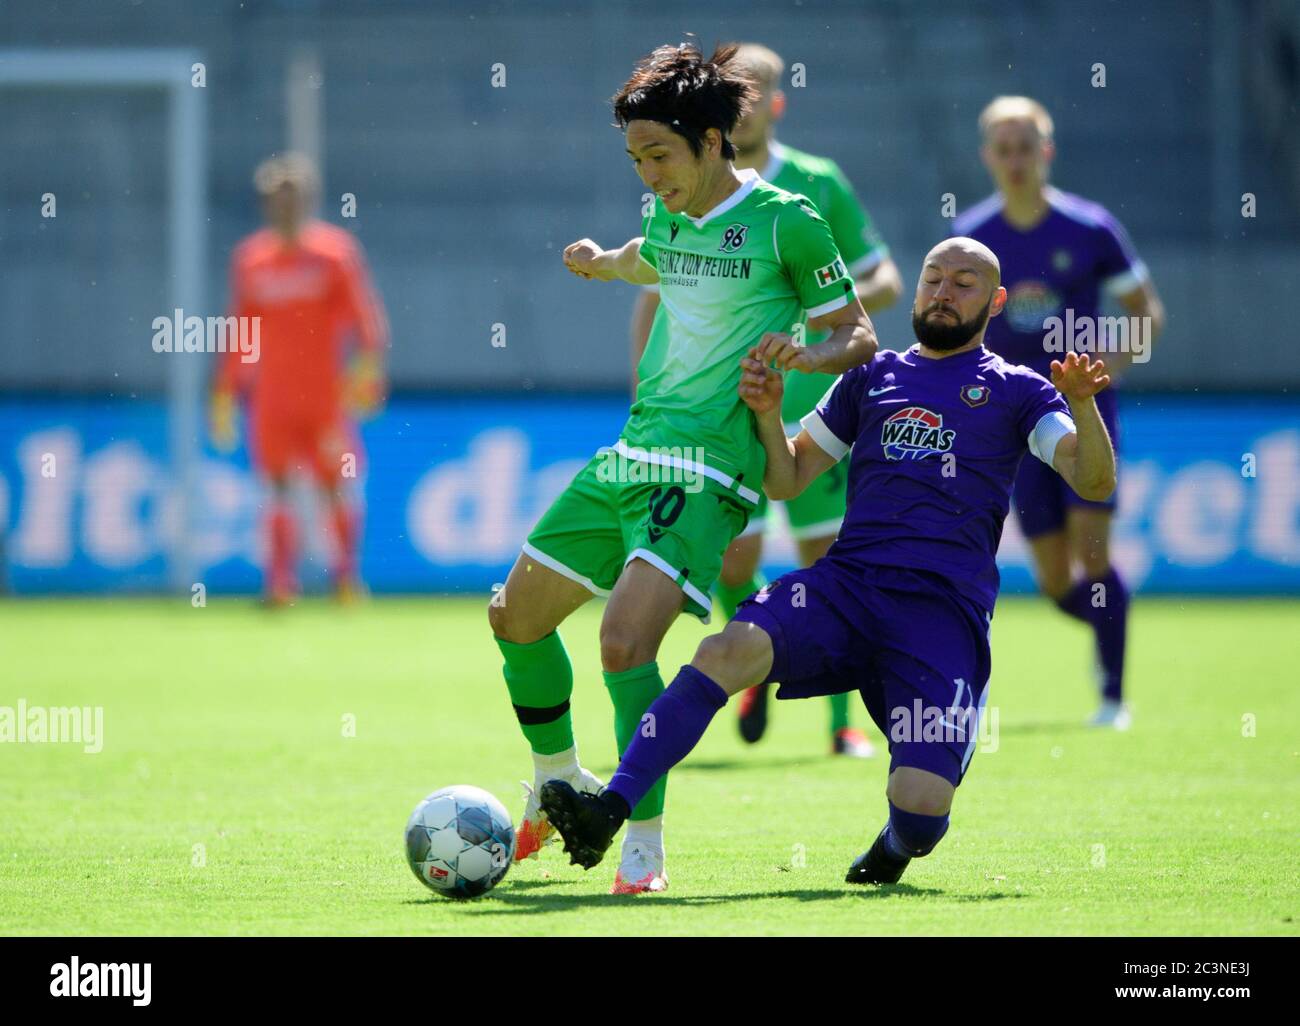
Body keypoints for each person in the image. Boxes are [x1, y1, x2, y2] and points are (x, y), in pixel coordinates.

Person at [538, 238, 1116, 887]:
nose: (943, 293)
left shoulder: (1019, 391)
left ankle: (896, 844)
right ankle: (608, 811)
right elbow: (789, 477)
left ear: (996, 301)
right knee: (724, 652)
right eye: (934, 279)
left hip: (940, 615)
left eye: (964, 284)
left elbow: (1090, 480)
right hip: (846, 589)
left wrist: (1085, 405)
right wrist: (764, 415)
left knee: (924, 813)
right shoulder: (871, 378)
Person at [487, 42, 877, 894]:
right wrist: (599, 263)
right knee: (514, 616)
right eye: (635, 160)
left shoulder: (788, 219)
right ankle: (560, 784)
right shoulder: (667, 215)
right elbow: (648, 257)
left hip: (708, 474)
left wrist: (803, 355)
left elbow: (860, 336)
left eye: (658, 155)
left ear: (711, 140)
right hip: (630, 453)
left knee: (623, 642)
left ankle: (643, 849)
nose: (647, 174)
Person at [630, 42, 902, 758]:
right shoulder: (686, 189)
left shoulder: (814, 186)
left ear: (774, 103)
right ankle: (755, 660)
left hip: (813, 403)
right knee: (733, 562)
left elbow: (881, 283)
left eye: (757, 93)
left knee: (826, 560)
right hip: (722, 415)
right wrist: (644, 382)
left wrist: (806, 305)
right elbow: (659, 287)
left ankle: (840, 722)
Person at [954, 96, 1165, 729]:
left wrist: (1103, 372)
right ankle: (1113, 624)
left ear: (1046, 152)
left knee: (1093, 556)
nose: (1015, 160)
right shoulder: (973, 237)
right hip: (1016, 422)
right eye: (1003, 148)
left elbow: (1146, 314)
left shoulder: (1090, 228)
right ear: (988, 156)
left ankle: (1113, 694)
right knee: (1052, 580)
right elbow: (956, 329)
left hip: (1086, 414)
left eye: (1027, 147)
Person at [210, 153, 388, 605]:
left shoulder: (333, 254)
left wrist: (366, 375)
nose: (284, 209)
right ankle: (279, 583)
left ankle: (346, 579)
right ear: (266, 205)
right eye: (275, 201)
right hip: (271, 397)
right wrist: (226, 392)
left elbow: (366, 322)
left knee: (335, 484)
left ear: (307, 202)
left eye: (292, 200)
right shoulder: (251, 260)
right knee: (276, 487)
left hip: (324, 396)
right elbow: (241, 330)